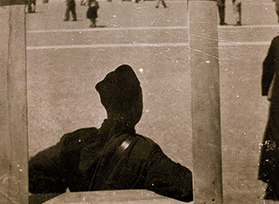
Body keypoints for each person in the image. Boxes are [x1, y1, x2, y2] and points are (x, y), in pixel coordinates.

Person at [29, 64, 193, 202]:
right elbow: (188, 188)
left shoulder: (76, 140)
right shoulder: (145, 152)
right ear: (137, 106)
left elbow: (34, 171)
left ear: (105, 104)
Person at [259, 36, 279, 201]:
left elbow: (268, 66)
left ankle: (274, 186)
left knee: (275, 139)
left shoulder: (277, 42)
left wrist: (266, 89)